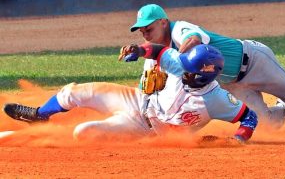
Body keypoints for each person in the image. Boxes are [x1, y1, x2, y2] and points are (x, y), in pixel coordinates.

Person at [127, 4, 285, 129]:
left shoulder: (180, 29)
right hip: (232, 84)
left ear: (163, 22)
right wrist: (137, 51)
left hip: (253, 61)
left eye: (149, 29)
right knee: (266, 124)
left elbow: (195, 39)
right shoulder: (158, 51)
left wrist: (182, 57)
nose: (145, 34)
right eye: (142, 31)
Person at [3, 44, 258, 142]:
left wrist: (238, 139)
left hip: (142, 127)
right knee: (73, 92)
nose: (183, 71)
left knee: (84, 133)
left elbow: (249, 118)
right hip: (137, 99)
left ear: (206, 74)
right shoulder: (182, 64)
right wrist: (139, 50)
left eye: (190, 71)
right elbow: (158, 50)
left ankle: (46, 138)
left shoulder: (217, 100)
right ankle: (39, 114)